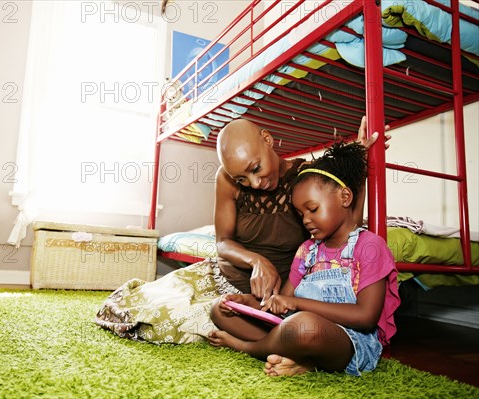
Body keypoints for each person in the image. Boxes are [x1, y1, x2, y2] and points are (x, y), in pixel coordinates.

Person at [95, 117, 387, 344]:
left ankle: (279, 344)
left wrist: (360, 159)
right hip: (230, 278)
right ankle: (278, 343)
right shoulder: (226, 179)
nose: (255, 183)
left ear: (267, 140)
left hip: (283, 294)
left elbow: (346, 222)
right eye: (243, 179)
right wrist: (257, 261)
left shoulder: (305, 177)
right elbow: (222, 242)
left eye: (256, 168)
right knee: (138, 310)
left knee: (190, 324)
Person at [208, 141, 401, 377]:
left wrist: (298, 305)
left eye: (312, 209)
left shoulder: (370, 246)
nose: (306, 220)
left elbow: (366, 317)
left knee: (303, 327)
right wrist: (248, 303)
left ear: (345, 197)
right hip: (297, 328)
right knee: (220, 308)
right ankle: (302, 361)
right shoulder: (307, 250)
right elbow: (284, 302)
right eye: (300, 214)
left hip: (350, 342)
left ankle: (246, 347)